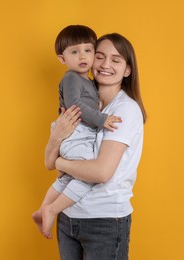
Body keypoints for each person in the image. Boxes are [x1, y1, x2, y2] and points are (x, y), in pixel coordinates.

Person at [44, 33, 147, 260]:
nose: (105, 65)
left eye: (116, 60)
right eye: (99, 56)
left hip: (104, 221)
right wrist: (56, 140)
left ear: (127, 70)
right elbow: (47, 162)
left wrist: (59, 160)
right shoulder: (84, 103)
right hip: (68, 217)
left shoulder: (125, 110)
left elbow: (100, 172)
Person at [32, 25, 121, 239]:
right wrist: (102, 119)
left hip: (76, 132)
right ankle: (52, 209)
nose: (83, 56)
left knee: (69, 177)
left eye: (88, 50)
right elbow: (75, 105)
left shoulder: (87, 81)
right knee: (88, 174)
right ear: (62, 59)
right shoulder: (71, 77)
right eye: (74, 52)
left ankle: (42, 209)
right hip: (77, 132)